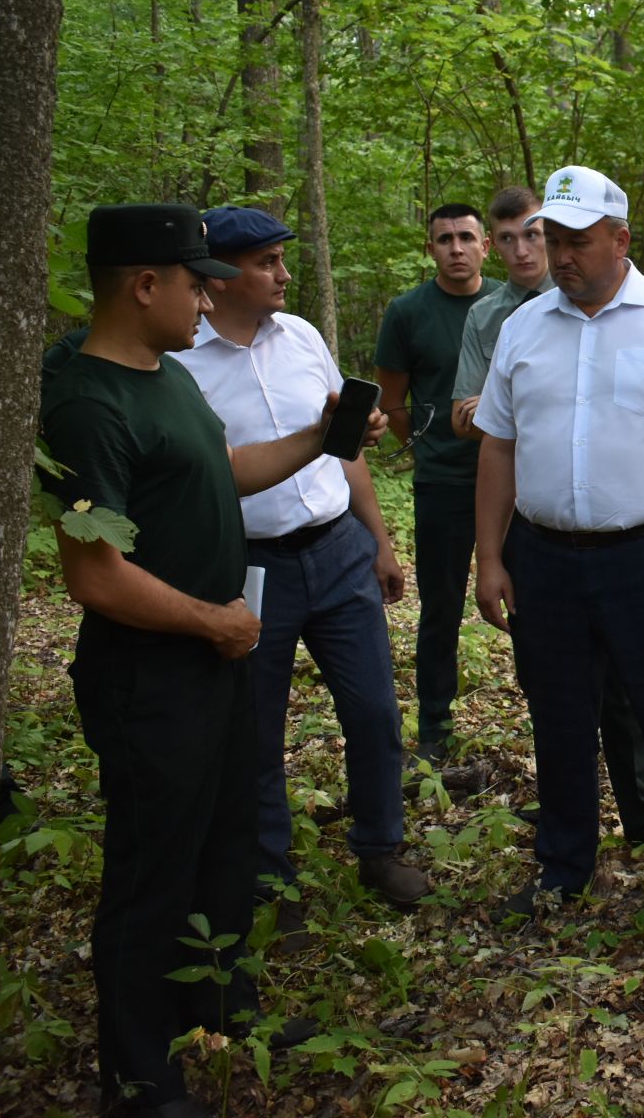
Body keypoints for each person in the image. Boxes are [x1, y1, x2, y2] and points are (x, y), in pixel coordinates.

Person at [42, 203, 382, 1115]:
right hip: (154, 673)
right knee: (153, 866)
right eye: (196, 282)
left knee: (228, 843)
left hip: (214, 657)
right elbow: (95, 574)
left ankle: (225, 1006)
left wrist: (320, 438)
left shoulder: (164, 376)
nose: (209, 295)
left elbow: (217, 472)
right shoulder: (87, 404)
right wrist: (209, 622)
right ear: (144, 285)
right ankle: (140, 1070)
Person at [471, 164, 644, 935]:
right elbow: (498, 445)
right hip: (546, 558)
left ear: (620, 239)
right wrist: (489, 557)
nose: (559, 256)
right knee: (558, 717)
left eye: (576, 241)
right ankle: (564, 867)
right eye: (548, 239)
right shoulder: (523, 328)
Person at [169, 205, 427, 913]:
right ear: (219, 278)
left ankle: (381, 847)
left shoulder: (304, 337)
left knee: (374, 709)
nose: (285, 274)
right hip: (250, 567)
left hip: (338, 551)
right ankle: (267, 874)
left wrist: (379, 540)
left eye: (283, 258)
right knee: (254, 724)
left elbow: (339, 447)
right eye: (267, 263)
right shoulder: (177, 363)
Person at [451, 185, 644, 846]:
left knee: (628, 689)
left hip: (629, 540)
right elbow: (479, 424)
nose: (526, 250)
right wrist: (490, 557)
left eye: (536, 238)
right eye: (510, 237)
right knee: (553, 689)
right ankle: (566, 835)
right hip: (535, 535)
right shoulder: (497, 322)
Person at [374, 205, 502, 763]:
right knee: (441, 606)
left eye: (466, 237)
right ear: (431, 249)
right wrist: (430, 443)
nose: (456, 248)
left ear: (486, 246)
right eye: (445, 239)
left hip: (515, 480)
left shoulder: (513, 303)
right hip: (444, 481)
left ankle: (548, 717)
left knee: (534, 603)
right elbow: (393, 400)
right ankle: (434, 727)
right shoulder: (408, 312)